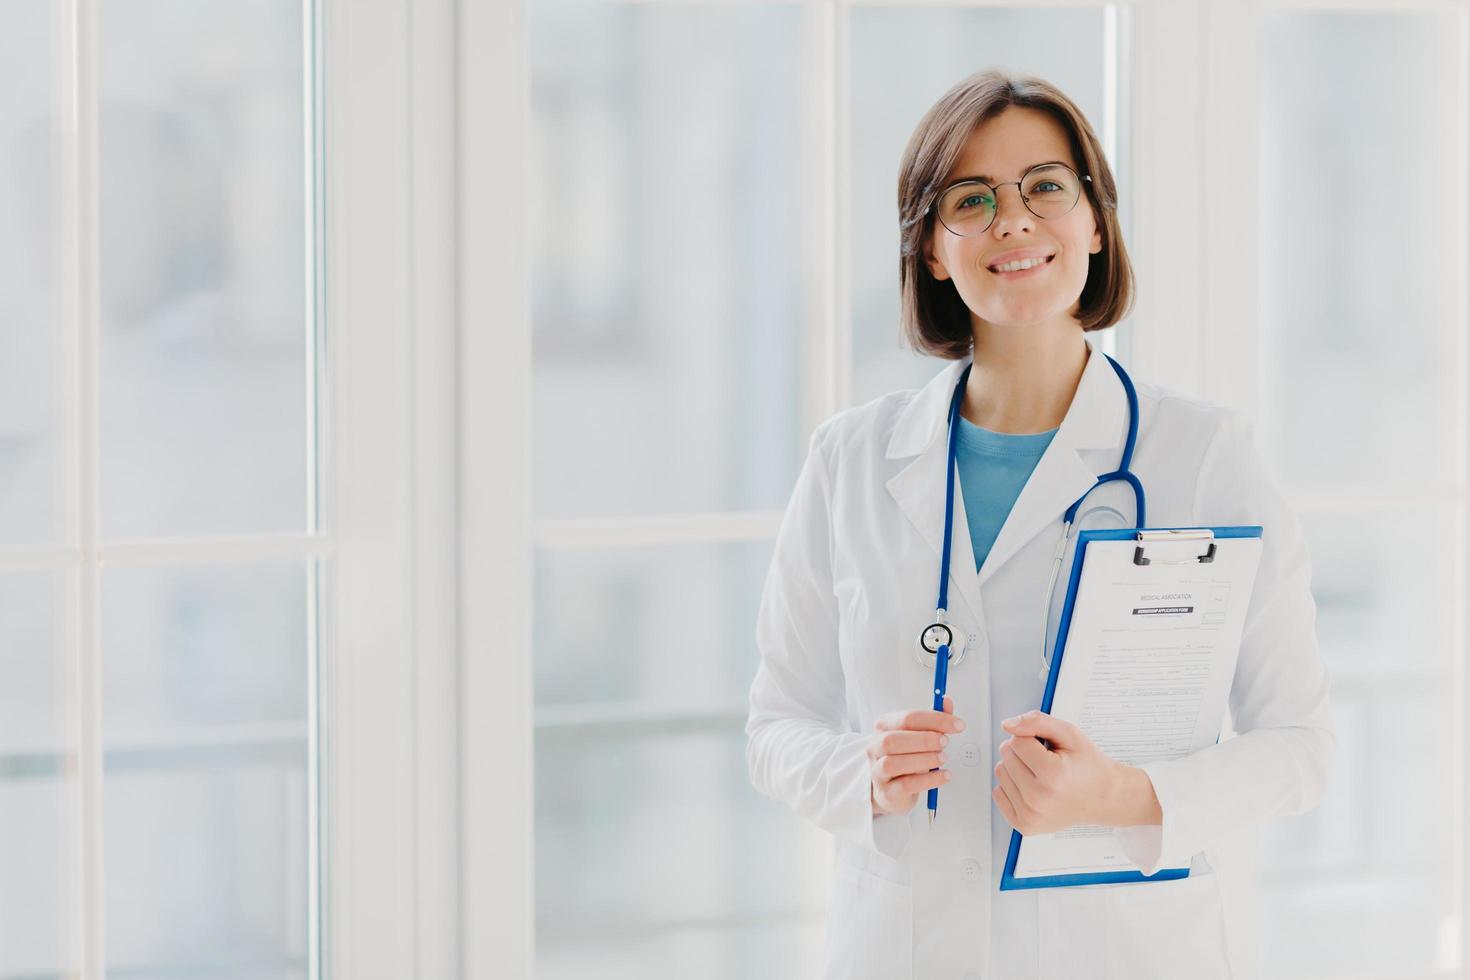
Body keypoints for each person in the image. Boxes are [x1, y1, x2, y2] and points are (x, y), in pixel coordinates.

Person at [744, 68, 1335, 979]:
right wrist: (859, 773)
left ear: (1094, 221)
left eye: (1045, 188)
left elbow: (1299, 749)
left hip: (1120, 950)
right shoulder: (849, 462)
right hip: (905, 947)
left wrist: (1126, 795)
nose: (1012, 221)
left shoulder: (1206, 457)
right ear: (934, 251)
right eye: (969, 200)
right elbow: (777, 724)